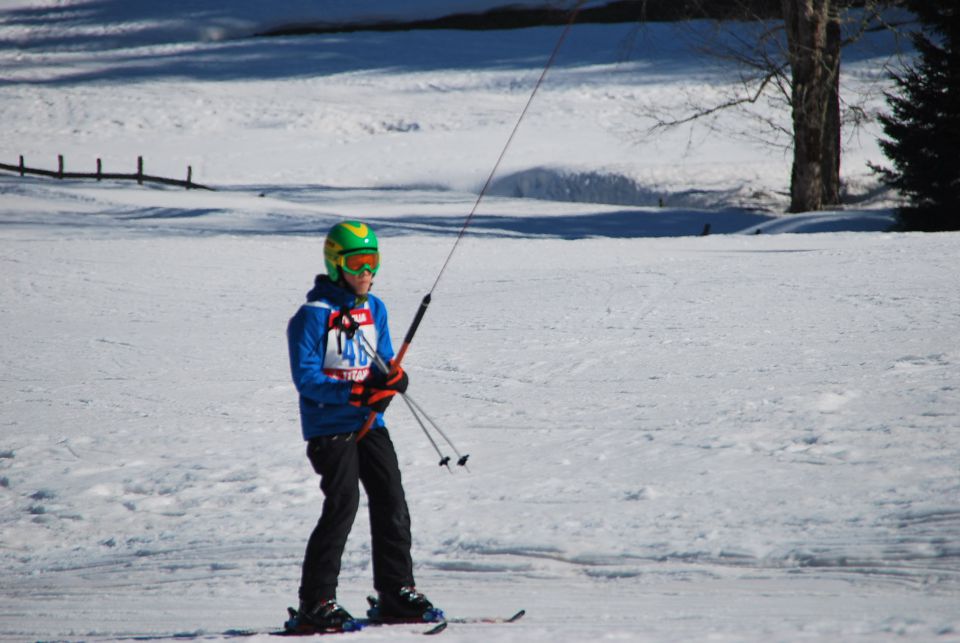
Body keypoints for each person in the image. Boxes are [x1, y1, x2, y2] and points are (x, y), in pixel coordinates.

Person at [285, 220, 437, 632]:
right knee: (343, 504)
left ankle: (396, 592)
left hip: (371, 423)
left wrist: (393, 379)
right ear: (336, 265)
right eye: (356, 263)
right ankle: (315, 602)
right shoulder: (312, 317)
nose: (365, 273)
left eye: (372, 263)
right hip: (329, 427)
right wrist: (356, 394)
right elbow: (308, 380)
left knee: (391, 500)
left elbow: (382, 362)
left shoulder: (376, 308)